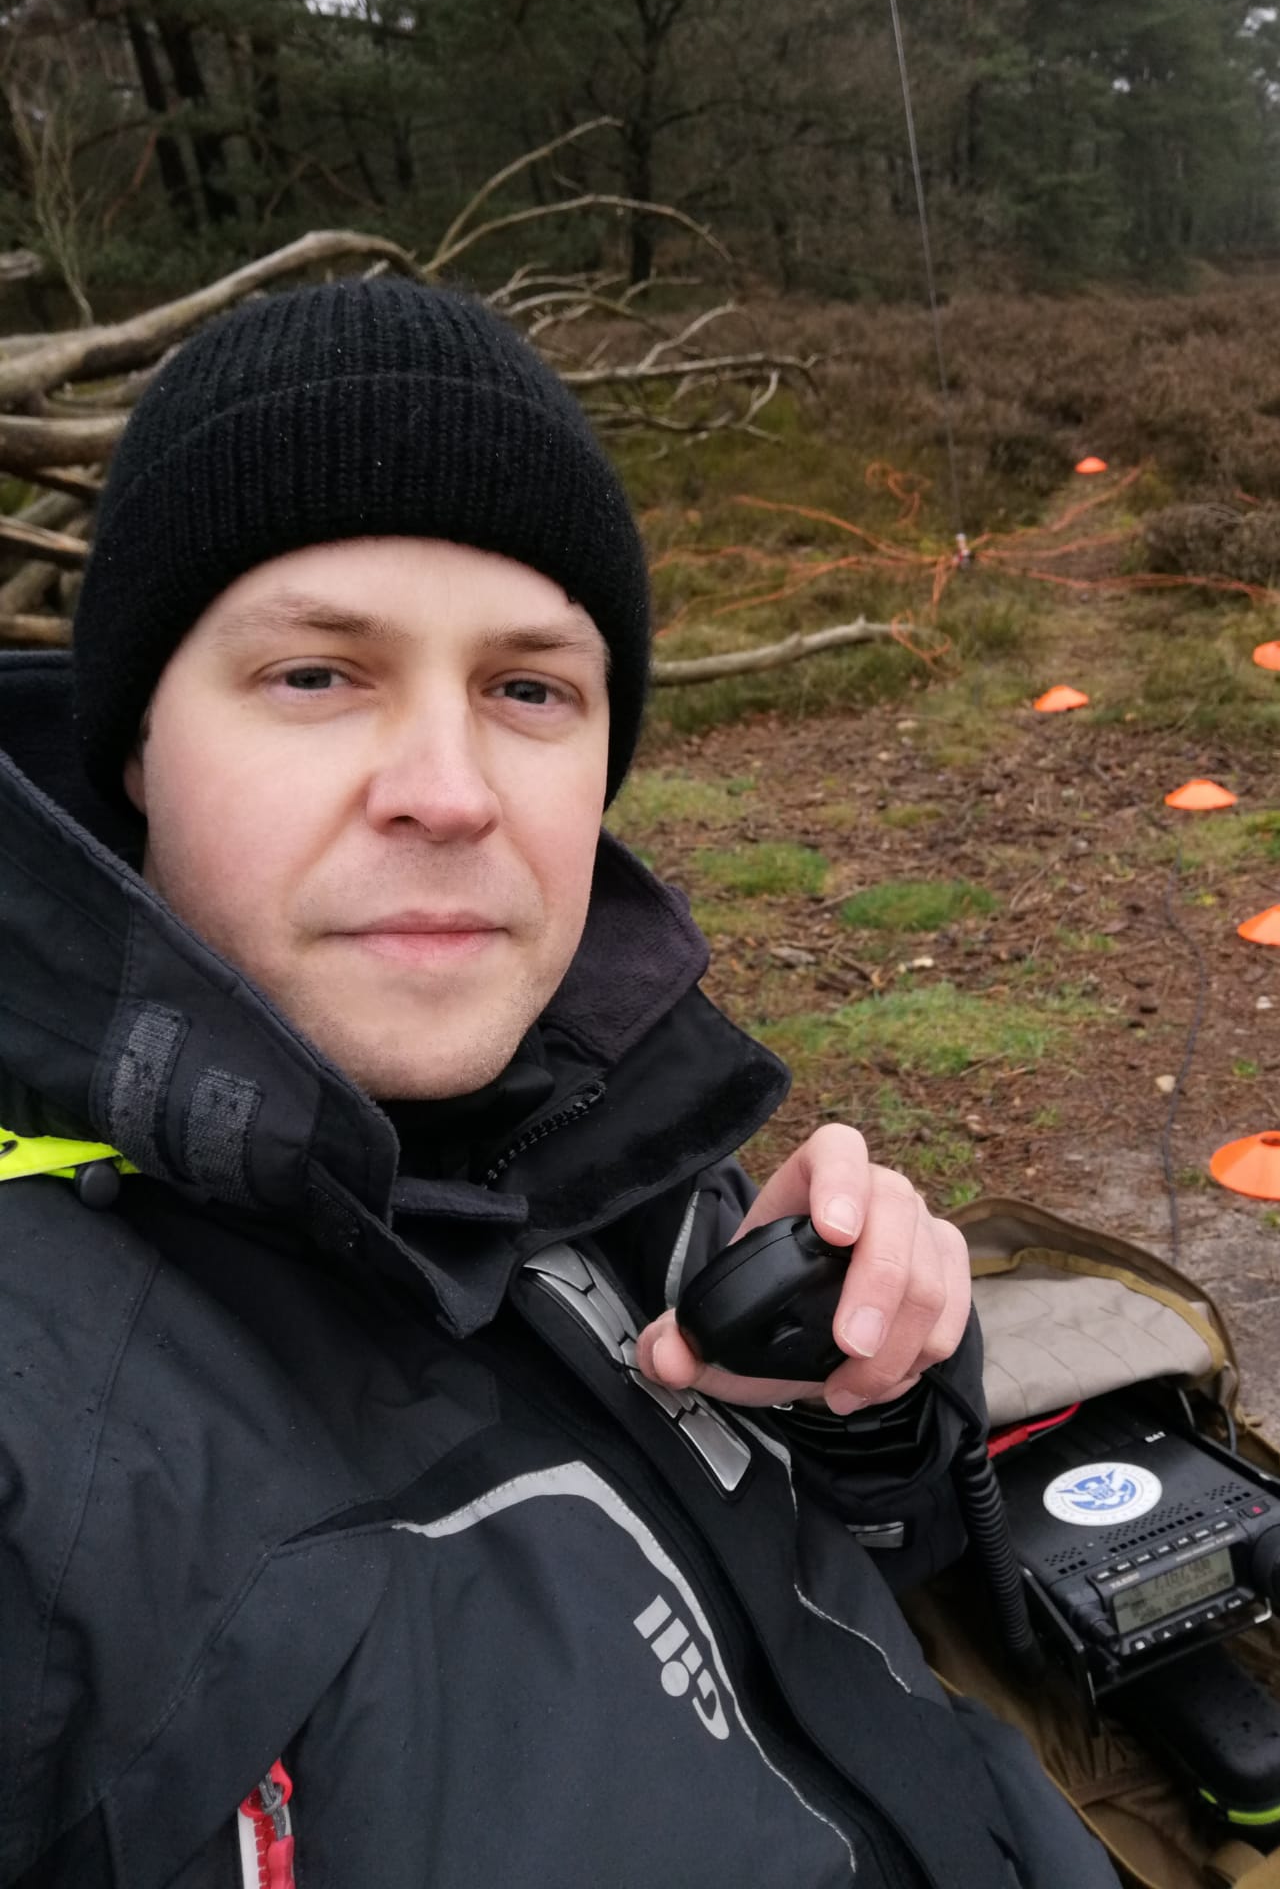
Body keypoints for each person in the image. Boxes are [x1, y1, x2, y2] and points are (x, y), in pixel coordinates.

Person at [0, 278, 1121, 1888]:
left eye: (529, 690)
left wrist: (873, 1416)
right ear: (135, 749)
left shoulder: (606, 1131)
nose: (449, 792)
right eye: (315, 674)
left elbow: (875, 1590)